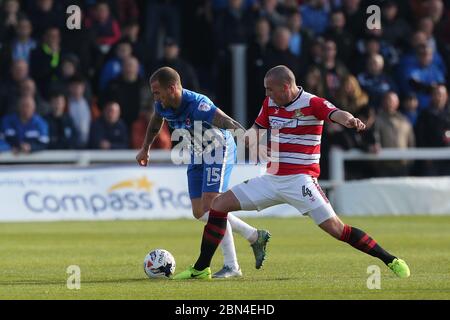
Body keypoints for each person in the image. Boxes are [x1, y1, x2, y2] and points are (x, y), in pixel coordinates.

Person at [173, 65, 410, 280]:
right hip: (272, 179)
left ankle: (391, 260)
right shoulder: (270, 105)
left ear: (286, 87)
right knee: (218, 205)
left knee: (339, 230)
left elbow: (336, 113)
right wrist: (253, 143)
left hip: (300, 181)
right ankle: (201, 268)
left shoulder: (311, 102)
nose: (267, 94)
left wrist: (350, 121)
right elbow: (255, 130)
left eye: (270, 89)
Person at [136, 67, 271, 278]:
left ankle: (231, 266)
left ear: (172, 88)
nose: (155, 98)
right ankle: (254, 235)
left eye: (157, 92)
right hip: (197, 152)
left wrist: (250, 140)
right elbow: (156, 120)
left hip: (218, 149)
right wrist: (145, 148)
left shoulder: (198, 104)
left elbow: (226, 121)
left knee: (213, 205)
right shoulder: (162, 104)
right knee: (200, 212)